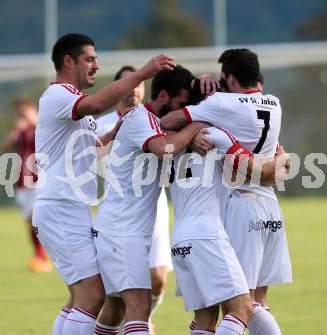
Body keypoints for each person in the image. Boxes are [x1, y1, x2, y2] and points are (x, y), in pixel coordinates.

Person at [32, 33, 175, 335]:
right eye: (90, 59)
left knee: (80, 296)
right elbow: (97, 104)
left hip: (69, 206)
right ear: (68, 61)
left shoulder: (68, 100)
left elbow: (90, 149)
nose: (96, 65)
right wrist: (143, 73)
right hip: (60, 206)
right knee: (92, 294)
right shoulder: (59, 96)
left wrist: (116, 132)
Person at [161, 48, 292, 335]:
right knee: (256, 300)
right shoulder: (274, 103)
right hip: (270, 205)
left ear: (229, 78)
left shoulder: (219, 112)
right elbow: (278, 167)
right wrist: (278, 164)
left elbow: (169, 122)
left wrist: (197, 111)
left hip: (240, 206)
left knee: (240, 305)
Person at [92, 66, 207, 335]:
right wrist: (196, 125)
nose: (183, 112)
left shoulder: (151, 121)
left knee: (115, 309)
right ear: (163, 96)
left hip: (122, 227)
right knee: (140, 306)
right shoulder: (141, 118)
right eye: (181, 105)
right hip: (123, 230)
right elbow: (165, 150)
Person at [95, 66, 173, 335]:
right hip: (122, 210)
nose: (134, 90)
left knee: (158, 279)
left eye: (139, 84)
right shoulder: (105, 124)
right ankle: (139, 323)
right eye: (128, 84)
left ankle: (139, 319)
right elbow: (88, 159)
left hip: (155, 208)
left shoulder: (158, 121)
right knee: (120, 298)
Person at [2, 97, 51, 272]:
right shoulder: (20, 130)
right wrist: (15, 130)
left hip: (39, 181)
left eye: (24, 110)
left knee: (37, 219)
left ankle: (43, 255)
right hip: (22, 181)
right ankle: (39, 255)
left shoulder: (42, 127)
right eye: (19, 111)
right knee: (29, 222)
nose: (21, 114)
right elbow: (5, 147)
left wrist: (33, 122)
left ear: (32, 109)